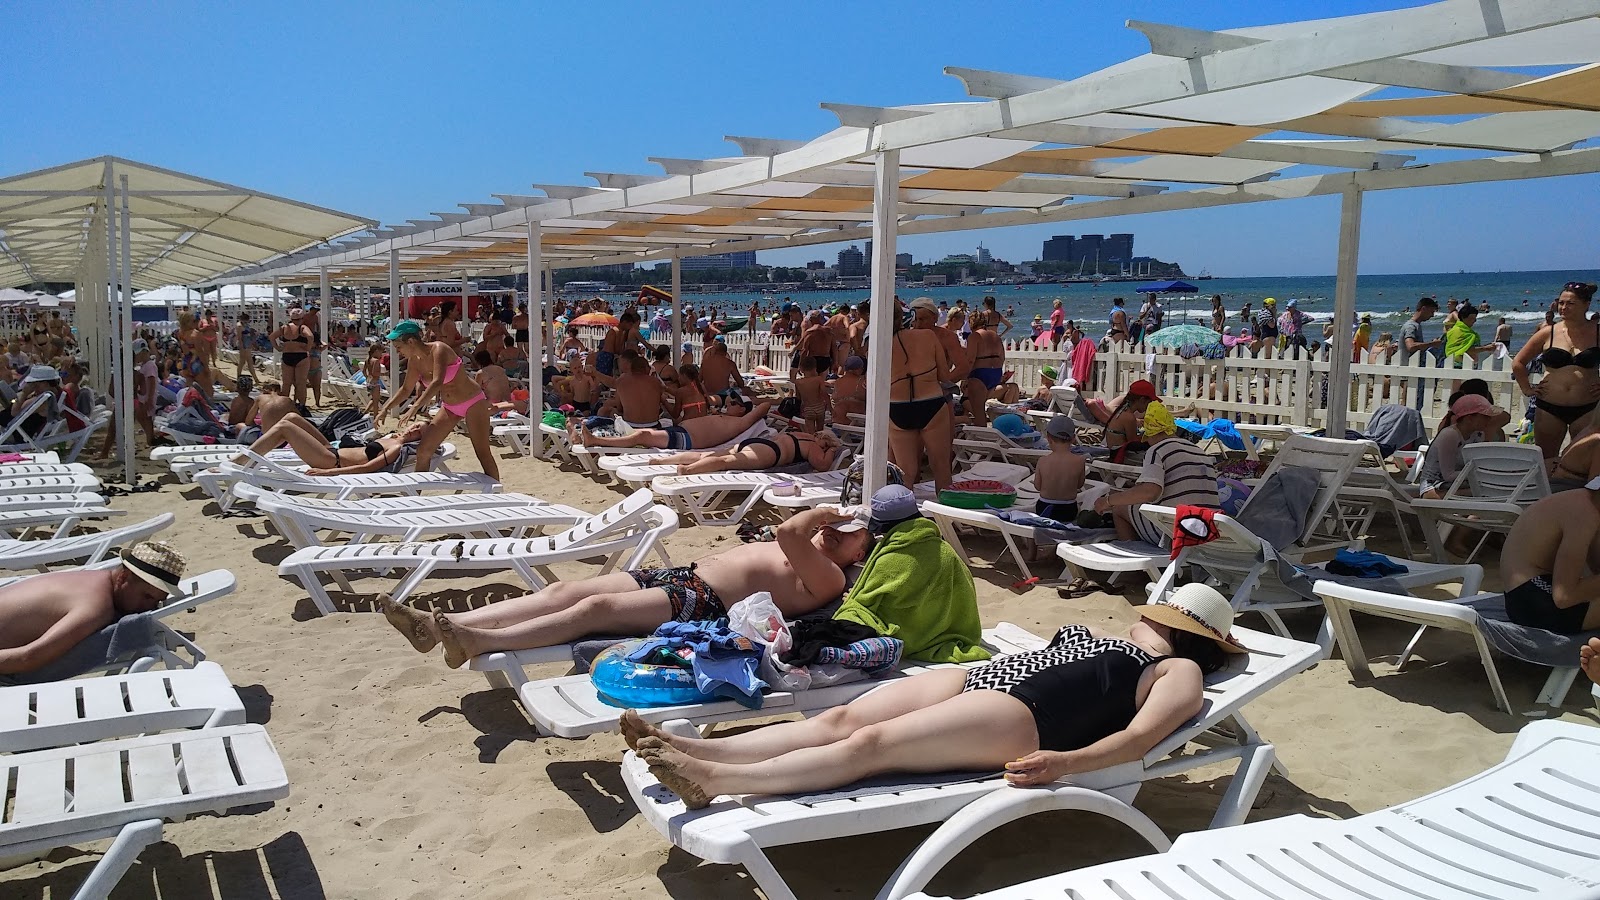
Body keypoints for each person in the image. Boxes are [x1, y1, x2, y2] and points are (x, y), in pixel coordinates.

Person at [624, 582, 1242, 809]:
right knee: (839, 716)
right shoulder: (1110, 636)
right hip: (994, 679)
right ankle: (689, 748)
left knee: (871, 743)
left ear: (1177, 626)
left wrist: (1067, 763)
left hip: (1031, 716)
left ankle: (714, 778)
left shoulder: (1176, 667)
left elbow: (1138, 739)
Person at [378, 505, 874, 667]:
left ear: (859, 555)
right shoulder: (814, 548)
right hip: (684, 576)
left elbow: (789, 531)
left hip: (706, 603)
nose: (835, 531)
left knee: (597, 608)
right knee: (566, 591)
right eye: (836, 526)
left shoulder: (829, 575)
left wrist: (826, 513)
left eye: (849, 534)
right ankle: (443, 626)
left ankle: (481, 640)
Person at [0, 541, 188, 684]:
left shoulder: (93, 578)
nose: (149, 607)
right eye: (147, 596)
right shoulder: (96, 608)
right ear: (123, 576)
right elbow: (29, 658)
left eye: (157, 601)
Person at [376, 320, 499, 481]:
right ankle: (417, 492)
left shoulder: (439, 349)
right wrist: (385, 408)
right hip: (450, 407)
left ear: (411, 341)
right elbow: (406, 389)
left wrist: (416, 406)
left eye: (399, 347)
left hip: (473, 402)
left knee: (482, 452)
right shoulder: (414, 361)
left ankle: (497, 491)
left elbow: (437, 381)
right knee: (424, 451)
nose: (398, 352)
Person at [1092, 400, 1220, 546]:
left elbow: (1150, 491)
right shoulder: (1199, 451)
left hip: (1177, 530)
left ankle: (1134, 561)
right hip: (1208, 528)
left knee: (1120, 510)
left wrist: (1108, 501)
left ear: (1151, 435)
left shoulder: (1157, 450)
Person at [1513, 282, 1600, 458]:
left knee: (1582, 460)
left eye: (1570, 303)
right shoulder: (1548, 333)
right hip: (1549, 408)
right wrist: (1527, 389)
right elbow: (1518, 362)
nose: (1564, 307)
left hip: (1588, 407)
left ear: (1586, 304)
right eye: (1561, 303)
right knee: (1546, 459)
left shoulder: (1597, 332)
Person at [1500, 486, 1600, 634]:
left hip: (1524, 596)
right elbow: (1564, 596)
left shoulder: (1584, 502)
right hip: (1532, 600)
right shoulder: (1584, 514)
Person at [890, 299, 957, 492]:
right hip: (931, 403)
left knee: (905, 473)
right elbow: (944, 376)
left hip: (897, 406)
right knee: (941, 467)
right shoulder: (928, 336)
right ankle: (946, 518)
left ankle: (904, 517)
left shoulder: (881, 343)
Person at [237, 414, 430, 475]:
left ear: (419, 439)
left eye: (418, 432)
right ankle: (250, 456)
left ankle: (240, 460)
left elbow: (365, 468)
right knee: (292, 417)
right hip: (333, 450)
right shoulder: (392, 437)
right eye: (415, 425)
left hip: (331, 462)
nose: (413, 429)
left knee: (285, 428)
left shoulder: (396, 448)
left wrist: (326, 472)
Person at [580, 394, 769, 452]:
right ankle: (592, 434)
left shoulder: (742, 422)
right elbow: (718, 398)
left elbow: (765, 405)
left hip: (686, 440)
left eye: (734, 403)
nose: (729, 404)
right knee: (638, 433)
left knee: (642, 436)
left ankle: (596, 442)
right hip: (680, 432)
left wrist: (752, 402)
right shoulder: (726, 416)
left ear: (744, 409)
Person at [1416, 394, 1505, 497]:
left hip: (1459, 484)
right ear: (1469, 418)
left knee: (1493, 490)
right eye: (1485, 417)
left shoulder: (1478, 434)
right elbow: (1448, 475)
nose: (1489, 420)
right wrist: (1482, 474)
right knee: (1487, 493)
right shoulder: (1450, 435)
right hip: (1434, 487)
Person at [1034, 417, 1086, 528]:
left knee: (1036, 525)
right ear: (1073, 439)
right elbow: (1080, 485)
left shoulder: (1042, 461)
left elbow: (1037, 486)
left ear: (1048, 438)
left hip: (1044, 507)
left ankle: (1032, 545)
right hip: (1068, 509)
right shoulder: (1080, 461)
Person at [964, 310, 1006, 426]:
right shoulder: (995, 336)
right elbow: (1002, 357)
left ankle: (982, 439)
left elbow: (970, 360)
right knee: (978, 404)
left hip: (979, 373)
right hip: (995, 373)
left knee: (979, 412)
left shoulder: (975, 336)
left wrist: (965, 378)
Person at [274, 307, 314, 407]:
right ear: (301, 318)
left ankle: (284, 406)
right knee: (301, 383)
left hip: (287, 355)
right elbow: (310, 336)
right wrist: (308, 348)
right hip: (301, 355)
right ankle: (301, 406)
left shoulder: (284, 327)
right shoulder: (302, 327)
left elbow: (271, 337)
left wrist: (278, 347)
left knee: (286, 384)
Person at [831, 356, 867, 425]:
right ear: (857, 369)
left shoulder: (838, 382)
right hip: (854, 423)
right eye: (862, 368)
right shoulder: (861, 382)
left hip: (836, 422)